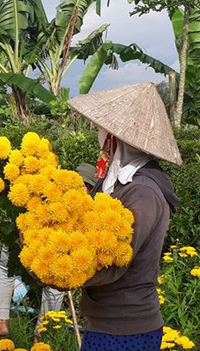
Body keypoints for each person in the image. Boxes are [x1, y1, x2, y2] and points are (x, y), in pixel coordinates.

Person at [68, 82, 181, 351]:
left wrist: (64, 272)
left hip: (126, 328)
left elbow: (116, 261)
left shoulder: (142, 192)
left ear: (115, 138)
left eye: (102, 130)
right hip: (105, 320)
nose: (98, 135)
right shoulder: (116, 183)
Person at [0, 163, 98, 340]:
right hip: (25, 231)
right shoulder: (50, 195)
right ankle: (4, 324)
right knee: (6, 268)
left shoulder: (82, 211)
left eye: (87, 187)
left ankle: (38, 337)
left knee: (55, 282)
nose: (84, 191)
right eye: (82, 186)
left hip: (41, 241)